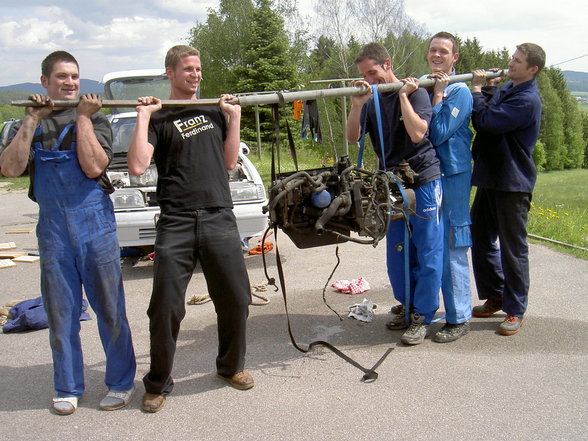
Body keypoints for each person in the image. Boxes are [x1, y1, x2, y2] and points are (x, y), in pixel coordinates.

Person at [0, 51, 136, 415]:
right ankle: (67, 386)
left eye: (75, 76)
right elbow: (10, 169)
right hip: (54, 232)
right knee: (61, 314)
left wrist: (82, 119)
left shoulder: (97, 119)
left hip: (97, 228)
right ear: (44, 82)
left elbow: (93, 167)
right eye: (62, 77)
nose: (70, 83)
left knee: (111, 311)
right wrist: (30, 121)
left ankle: (121, 383)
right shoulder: (28, 123)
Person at [127, 45, 253, 413]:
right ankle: (157, 384)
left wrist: (234, 117)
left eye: (198, 69)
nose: (195, 75)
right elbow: (137, 166)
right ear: (170, 72)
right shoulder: (160, 117)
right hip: (177, 220)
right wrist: (142, 116)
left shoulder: (215, 110)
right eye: (187, 69)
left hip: (218, 216)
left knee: (236, 298)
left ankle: (230, 367)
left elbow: (230, 162)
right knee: (165, 308)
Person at [346, 42, 443, 345]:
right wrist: (357, 104)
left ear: (387, 64)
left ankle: (423, 316)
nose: (370, 81)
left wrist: (402, 96)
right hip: (390, 184)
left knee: (426, 250)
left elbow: (418, 133)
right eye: (364, 75)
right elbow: (353, 137)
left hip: (423, 179)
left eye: (373, 73)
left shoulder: (416, 91)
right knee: (397, 251)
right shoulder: (370, 98)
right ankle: (407, 303)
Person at [469, 43, 545, 335]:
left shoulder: (527, 99)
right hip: (491, 177)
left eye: (518, 61)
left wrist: (476, 92)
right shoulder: (510, 88)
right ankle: (496, 294)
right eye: (512, 58)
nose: (511, 63)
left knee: (513, 248)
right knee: (480, 235)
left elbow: (487, 121)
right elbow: (493, 107)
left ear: (532, 69)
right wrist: (489, 89)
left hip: (513, 183)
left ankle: (515, 309)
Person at [422, 32, 473, 343]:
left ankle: (459, 316)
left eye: (443, 51)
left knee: (453, 242)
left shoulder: (460, 92)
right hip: (428, 174)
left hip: (452, 174)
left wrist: (438, 97)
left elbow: (438, 133)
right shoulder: (426, 86)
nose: (437, 55)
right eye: (432, 50)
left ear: (455, 58)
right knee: (428, 243)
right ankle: (423, 309)